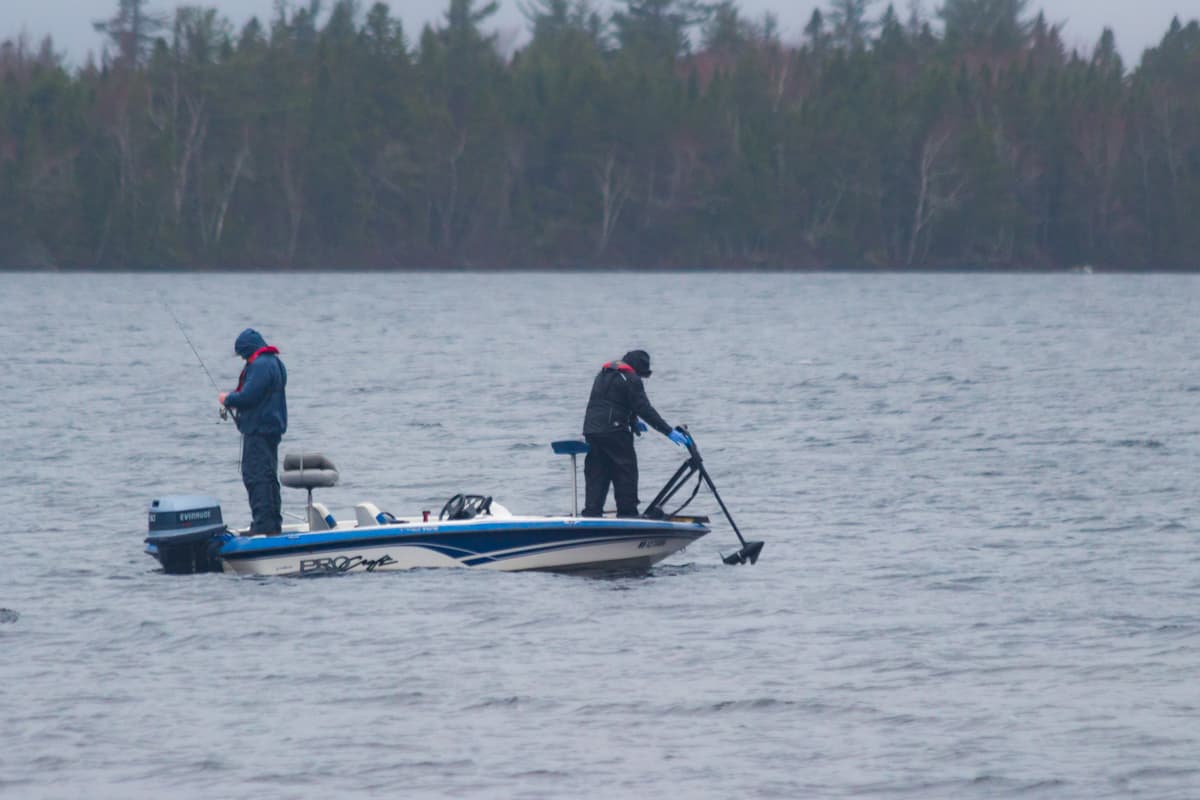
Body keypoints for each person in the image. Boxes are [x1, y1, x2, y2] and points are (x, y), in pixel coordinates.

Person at [581, 349, 690, 518]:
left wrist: (632, 421)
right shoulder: (631, 379)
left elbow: (611, 402)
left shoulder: (603, 375)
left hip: (591, 431)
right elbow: (644, 409)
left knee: (597, 473)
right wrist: (668, 432)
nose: (641, 379)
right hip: (616, 432)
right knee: (625, 472)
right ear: (638, 369)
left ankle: (591, 514)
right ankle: (628, 514)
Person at [218, 328, 288, 535]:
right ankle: (273, 523)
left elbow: (249, 396)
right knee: (268, 476)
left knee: (256, 476)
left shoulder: (260, 365)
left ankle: (263, 526)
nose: (242, 358)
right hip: (270, 429)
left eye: (242, 354)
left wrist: (227, 399)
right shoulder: (275, 363)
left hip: (258, 430)